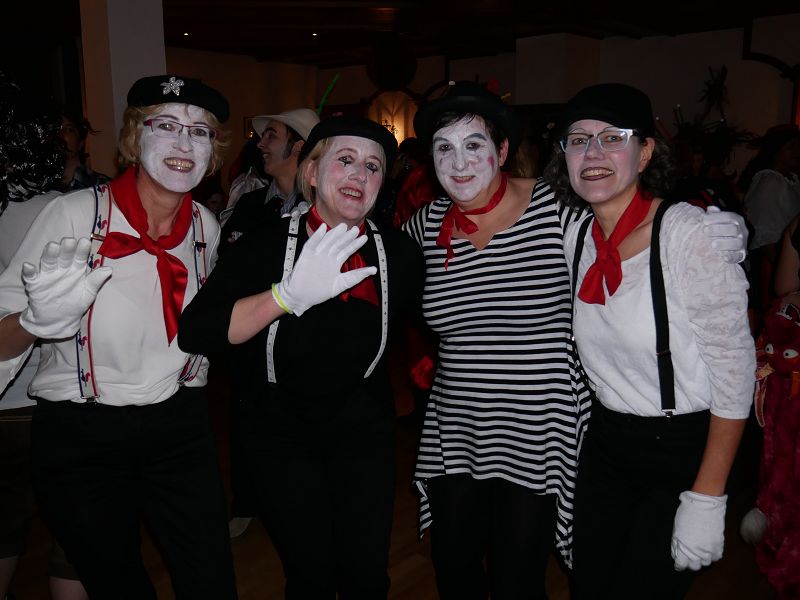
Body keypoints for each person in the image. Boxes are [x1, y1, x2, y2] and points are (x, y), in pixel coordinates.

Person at [404, 80, 749, 600]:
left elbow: (635, 216)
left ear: (502, 150)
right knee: (454, 566)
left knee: (519, 579)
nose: (459, 162)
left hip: (543, 428)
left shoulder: (557, 212)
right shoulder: (424, 228)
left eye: (474, 144)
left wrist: (721, 227)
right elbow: (374, 268)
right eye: (443, 148)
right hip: (460, 427)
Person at [0, 74, 237, 600]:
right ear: (135, 137)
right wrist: (35, 322)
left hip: (179, 424)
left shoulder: (206, 226)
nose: (183, 142)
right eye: (165, 125)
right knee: (117, 585)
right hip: (82, 432)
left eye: (199, 131)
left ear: (212, 152)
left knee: (212, 578)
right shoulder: (72, 214)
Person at [178, 115, 423, 598]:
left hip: (364, 431)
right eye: (345, 160)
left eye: (373, 166)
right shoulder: (263, 244)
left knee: (367, 575)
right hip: (280, 433)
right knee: (310, 574)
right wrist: (284, 295)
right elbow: (197, 331)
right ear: (312, 172)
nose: (359, 174)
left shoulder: (400, 253)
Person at [544, 82, 755, 599]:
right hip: (606, 441)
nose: (593, 153)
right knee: (589, 586)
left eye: (612, 138)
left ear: (644, 152)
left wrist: (707, 497)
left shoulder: (687, 234)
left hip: (681, 445)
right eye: (578, 140)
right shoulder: (575, 234)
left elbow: (735, 374)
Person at [0, 72, 89, 600]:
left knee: (3, 523)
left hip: (16, 401)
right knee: (74, 531)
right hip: (46, 396)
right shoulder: (59, 212)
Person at [219, 107, 319, 255]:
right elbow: (223, 256)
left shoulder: (318, 208)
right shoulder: (248, 203)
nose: (260, 144)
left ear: (298, 147)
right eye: (263, 136)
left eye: (271, 136)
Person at [58, 108, 111, 192]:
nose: (61, 134)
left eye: (69, 130)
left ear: (80, 143)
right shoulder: (42, 185)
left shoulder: (100, 184)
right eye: (57, 129)